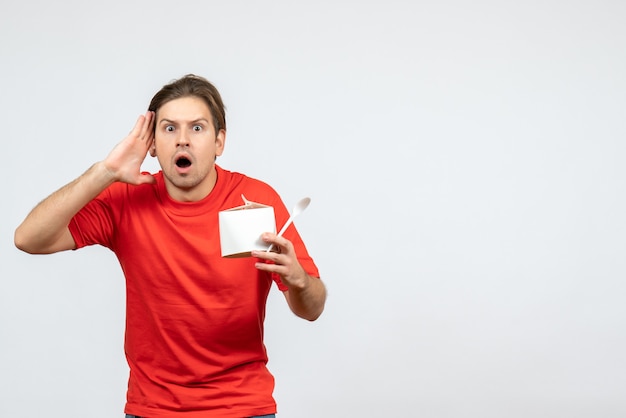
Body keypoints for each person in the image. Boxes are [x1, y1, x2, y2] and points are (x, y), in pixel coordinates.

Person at [14, 74, 326, 418]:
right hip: (152, 409)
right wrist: (104, 171)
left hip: (243, 407)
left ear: (219, 141)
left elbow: (311, 308)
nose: (183, 140)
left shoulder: (257, 200)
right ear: (151, 144)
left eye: (197, 128)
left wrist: (298, 280)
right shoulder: (126, 200)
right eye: (169, 128)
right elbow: (28, 239)